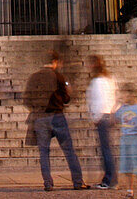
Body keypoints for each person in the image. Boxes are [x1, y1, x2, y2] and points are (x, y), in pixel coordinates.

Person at [23, 50, 87, 192]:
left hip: (40, 118)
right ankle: (77, 181)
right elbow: (66, 98)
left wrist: (36, 106)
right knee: (69, 150)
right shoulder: (58, 76)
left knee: (44, 152)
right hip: (57, 116)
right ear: (55, 62)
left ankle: (48, 183)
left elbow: (26, 99)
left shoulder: (34, 77)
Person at [87, 54, 117, 189]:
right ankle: (111, 179)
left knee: (106, 150)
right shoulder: (109, 79)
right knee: (107, 149)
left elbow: (98, 100)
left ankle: (109, 180)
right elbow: (115, 96)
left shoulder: (97, 81)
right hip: (109, 114)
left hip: (102, 116)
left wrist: (95, 116)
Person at [114, 83, 137, 199]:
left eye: (124, 93)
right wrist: (116, 104)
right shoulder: (123, 108)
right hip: (125, 139)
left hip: (136, 138)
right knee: (126, 166)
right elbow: (114, 119)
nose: (122, 96)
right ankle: (130, 190)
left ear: (132, 94)